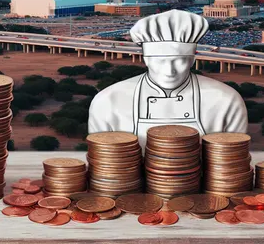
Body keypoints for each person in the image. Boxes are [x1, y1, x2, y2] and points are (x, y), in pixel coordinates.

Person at [88, 9, 247, 147]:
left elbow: (235, 159)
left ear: (192, 60)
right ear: (146, 60)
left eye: (179, 61)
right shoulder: (107, 101)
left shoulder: (226, 100)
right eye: (160, 61)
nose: (169, 71)